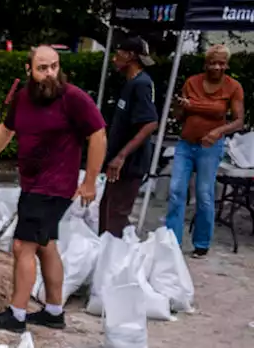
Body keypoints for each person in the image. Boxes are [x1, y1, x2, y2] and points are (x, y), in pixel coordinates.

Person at [0, 46, 106, 332]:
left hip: (54, 185)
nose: (50, 74)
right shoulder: (23, 99)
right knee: (46, 245)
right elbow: (6, 130)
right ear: (28, 69)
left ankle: (16, 315)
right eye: (43, 68)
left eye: (54, 67)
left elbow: (98, 135)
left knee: (22, 246)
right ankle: (54, 311)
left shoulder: (73, 98)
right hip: (33, 183)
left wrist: (90, 181)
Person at [166, 44, 246, 258]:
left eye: (221, 63)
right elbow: (178, 115)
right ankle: (171, 242)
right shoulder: (192, 82)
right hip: (186, 143)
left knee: (204, 194)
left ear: (226, 65)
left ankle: (201, 243)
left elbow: (239, 121)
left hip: (210, 147)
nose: (217, 67)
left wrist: (218, 132)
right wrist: (179, 106)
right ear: (206, 63)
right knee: (176, 191)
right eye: (213, 62)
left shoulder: (233, 87)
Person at [101, 37, 159, 239]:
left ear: (130, 56)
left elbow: (150, 123)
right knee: (106, 211)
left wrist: (122, 156)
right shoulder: (130, 83)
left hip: (130, 164)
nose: (115, 58)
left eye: (118, 53)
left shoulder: (142, 84)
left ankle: (113, 262)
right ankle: (104, 256)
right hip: (117, 162)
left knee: (116, 217)